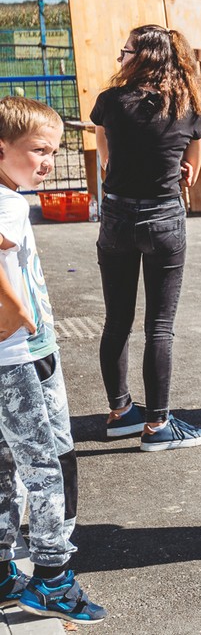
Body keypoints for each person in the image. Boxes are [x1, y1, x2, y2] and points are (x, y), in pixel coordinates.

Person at [0, 97, 107, 625]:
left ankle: (2, 572)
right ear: (2, 148)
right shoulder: (9, 202)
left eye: (54, 151)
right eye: (37, 151)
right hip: (21, 356)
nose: (47, 161)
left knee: (6, 466)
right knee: (50, 463)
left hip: (15, 355)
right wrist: (20, 309)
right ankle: (52, 579)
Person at [94, 25, 201, 451]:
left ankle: (121, 412)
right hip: (164, 218)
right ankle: (157, 425)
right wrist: (188, 166)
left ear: (140, 56)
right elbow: (198, 141)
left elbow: (100, 133)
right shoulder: (186, 102)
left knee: (117, 322)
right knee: (159, 327)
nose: (120, 58)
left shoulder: (111, 101)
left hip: (118, 216)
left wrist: (109, 161)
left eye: (124, 51)